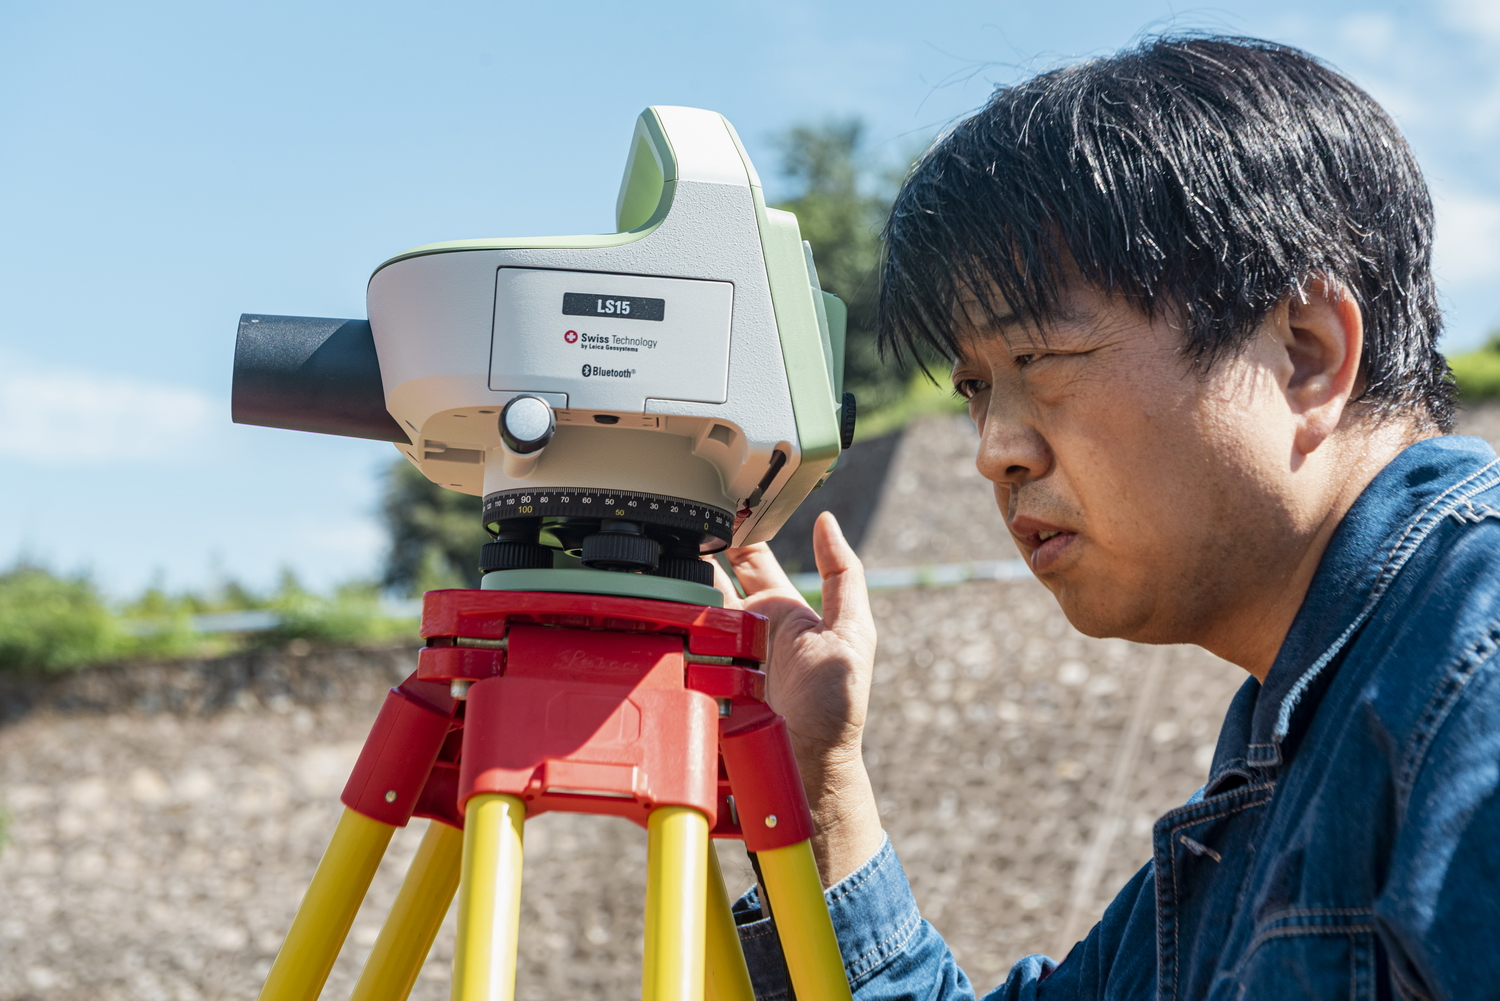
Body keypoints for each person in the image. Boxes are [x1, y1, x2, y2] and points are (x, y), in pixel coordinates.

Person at [715, 35, 1500, 1001]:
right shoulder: (1263, 789)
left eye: (1039, 360)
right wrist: (817, 782)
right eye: (974, 387)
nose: (994, 448)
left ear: (1304, 350)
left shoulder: (1473, 666)